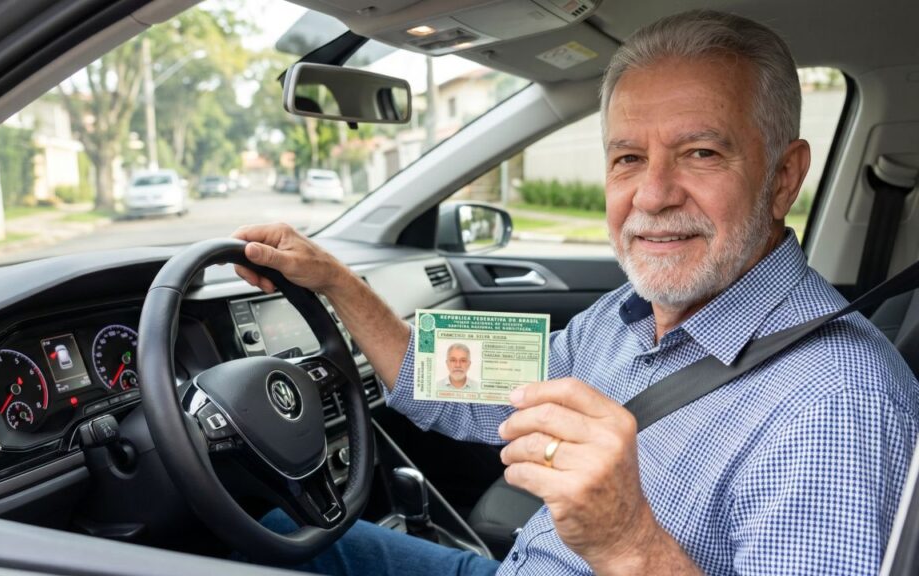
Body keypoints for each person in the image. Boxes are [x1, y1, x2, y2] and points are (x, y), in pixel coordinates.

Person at [233, 9, 919, 575]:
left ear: (783, 177)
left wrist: (629, 544)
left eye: (701, 153)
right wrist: (337, 282)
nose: (653, 195)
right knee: (269, 533)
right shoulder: (622, 316)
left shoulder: (838, 402)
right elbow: (450, 379)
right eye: (629, 158)